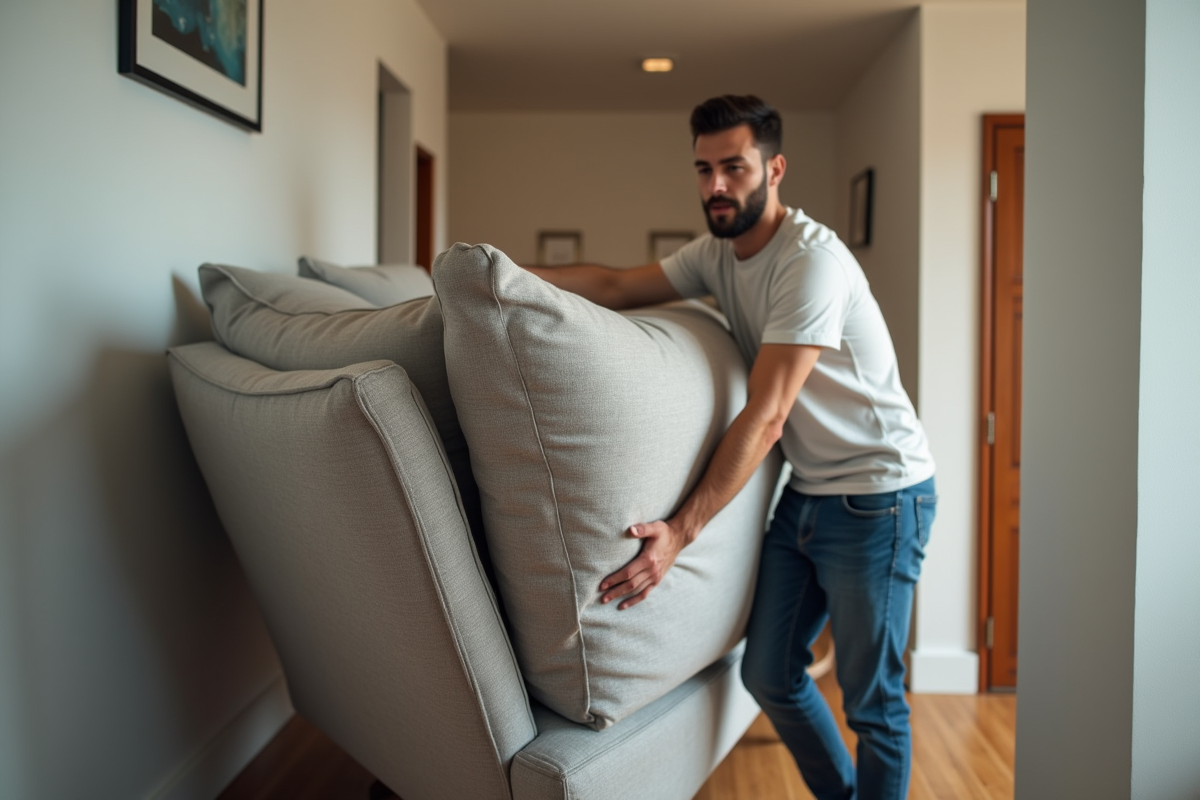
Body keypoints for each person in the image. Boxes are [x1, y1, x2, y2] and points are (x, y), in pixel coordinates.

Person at [526, 94, 936, 800]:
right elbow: (620, 284)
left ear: (774, 169)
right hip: (810, 491)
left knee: (873, 702)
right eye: (704, 169)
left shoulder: (809, 264)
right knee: (768, 673)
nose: (717, 186)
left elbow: (769, 414)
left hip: (881, 498)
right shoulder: (718, 254)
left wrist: (678, 534)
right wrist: (505, 274)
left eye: (735, 168)